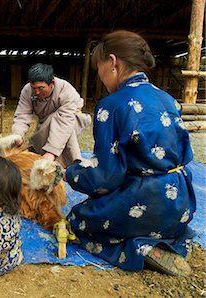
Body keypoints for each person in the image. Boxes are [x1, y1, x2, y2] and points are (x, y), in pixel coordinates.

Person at [64, 30, 196, 276]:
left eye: (99, 67)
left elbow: (106, 178)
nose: (100, 75)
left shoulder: (112, 105)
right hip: (181, 204)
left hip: (145, 201)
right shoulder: (167, 98)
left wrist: (71, 174)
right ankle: (169, 238)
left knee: (77, 219)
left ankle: (141, 248)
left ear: (112, 62)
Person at [10, 63, 91, 168]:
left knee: (60, 129)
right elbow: (22, 114)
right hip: (45, 122)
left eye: (41, 88)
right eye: (33, 88)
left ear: (51, 83)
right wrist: (17, 135)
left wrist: (51, 152)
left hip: (71, 120)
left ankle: (69, 164)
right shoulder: (27, 90)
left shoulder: (67, 92)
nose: (37, 92)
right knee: (46, 133)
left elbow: (64, 123)